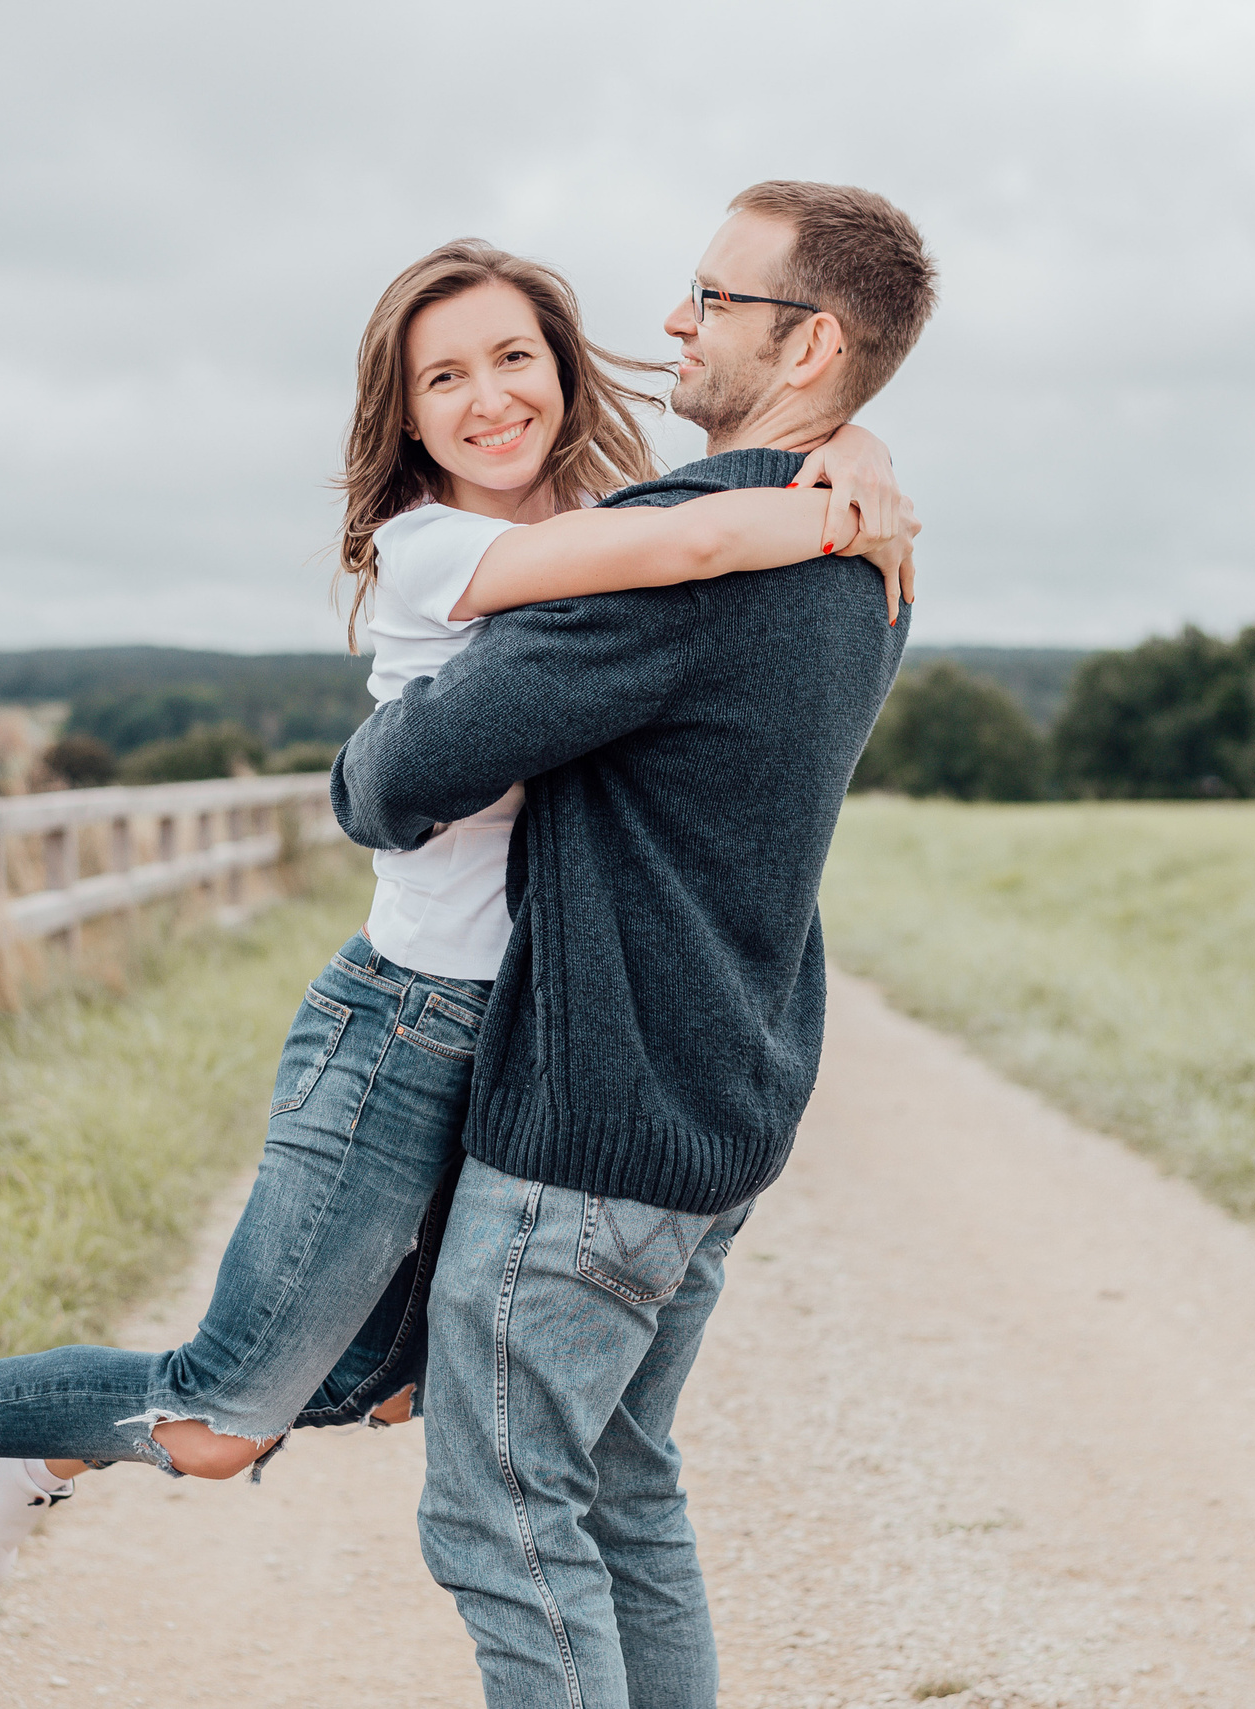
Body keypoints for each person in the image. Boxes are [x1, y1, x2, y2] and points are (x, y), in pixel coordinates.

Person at [0, 235, 916, 1587]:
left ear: (563, 366)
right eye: (445, 376)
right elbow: (703, 534)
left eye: (513, 357)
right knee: (218, 1417)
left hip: (526, 1048)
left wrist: (859, 450)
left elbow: (690, 532)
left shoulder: (591, 534)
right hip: (403, 1029)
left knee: (391, 1383)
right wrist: (849, 498)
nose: (488, 396)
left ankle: (44, 1438)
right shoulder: (440, 542)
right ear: (405, 411)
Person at [330, 180, 937, 1708]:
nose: (671, 321)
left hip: (592, 1132)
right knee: (618, 1492)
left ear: (809, 346)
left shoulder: (685, 560)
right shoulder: (866, 550)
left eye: (713, 298)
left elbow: (396, 785)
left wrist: (357, 756)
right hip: (721, 1110)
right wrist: (856, 452)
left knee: (503, 1517)